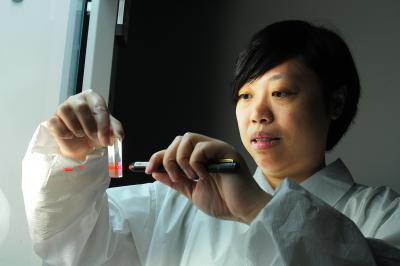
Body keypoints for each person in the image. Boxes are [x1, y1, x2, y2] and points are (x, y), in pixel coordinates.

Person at [22, 20, 400, 265]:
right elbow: (70, 242)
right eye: (245, 96)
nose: (258, 114)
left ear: (334, 102)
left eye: (282, 93)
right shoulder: (174, 204)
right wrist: (72, 157)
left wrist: (255, 206)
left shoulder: (383, 214)